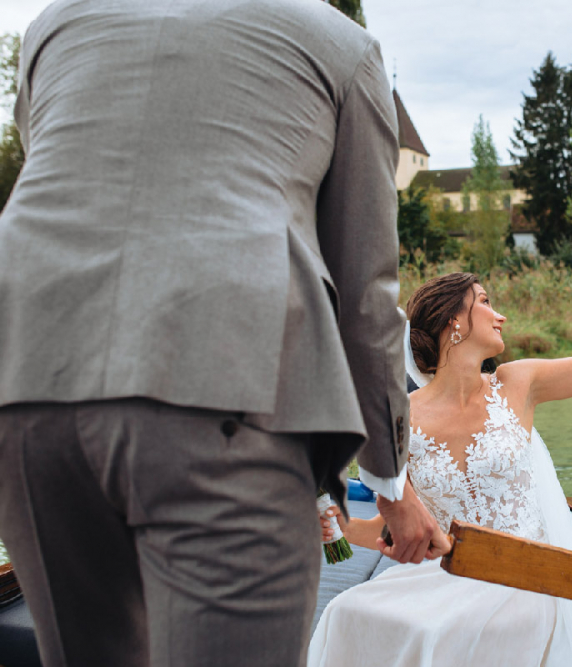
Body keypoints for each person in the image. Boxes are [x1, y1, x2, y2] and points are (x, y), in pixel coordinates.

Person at [0, 2, 447, 666]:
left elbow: (82, 204)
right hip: (226, 384)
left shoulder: (55, 25)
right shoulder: (343, 48)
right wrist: (389, 483)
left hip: (24, 384)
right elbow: (366, 296)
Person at [310, 221, 572, 667]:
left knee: (438, 632)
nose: (500, 314)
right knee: (345, 612)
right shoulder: (400, 417)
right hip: (446, 578)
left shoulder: (518, 383)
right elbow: (400, 531)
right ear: (454, 320)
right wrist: (338, 527)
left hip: (527, 579)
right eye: (486, 303)